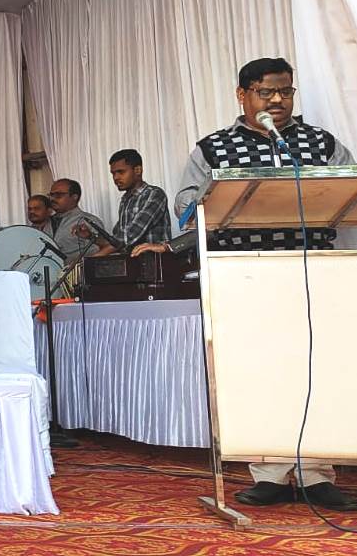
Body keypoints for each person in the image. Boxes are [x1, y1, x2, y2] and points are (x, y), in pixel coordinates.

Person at [148, 57, 356, 511]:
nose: (277, 100)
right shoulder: (213, 148)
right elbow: (186, 207)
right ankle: (270, 473)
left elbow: (349, 186)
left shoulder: (320, 142)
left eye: (286, 91)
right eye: (266, 92)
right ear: (242, 95)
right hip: (245, 274)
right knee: (261, 370)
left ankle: (318, 473)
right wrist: (217, 194)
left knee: (317, 370)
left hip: (314, 271)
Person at [77, 149, 170, 256]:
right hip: (132, 263)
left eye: (121, 172)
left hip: (155, 263)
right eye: (113, 173)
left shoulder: (154, 194)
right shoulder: (125, 200)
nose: (115, 178)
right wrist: (90, 236)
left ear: (138, 170)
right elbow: (116, 242)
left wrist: (89, 260)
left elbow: (128, 237)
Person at [46, 178, 103, 267]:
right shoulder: (46, 222)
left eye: (58, 195)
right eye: (51, 195)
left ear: (74, 197)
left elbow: (99, 251)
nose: (52, 199)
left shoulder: (88, 221)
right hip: (49, 272)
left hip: (79, 273)